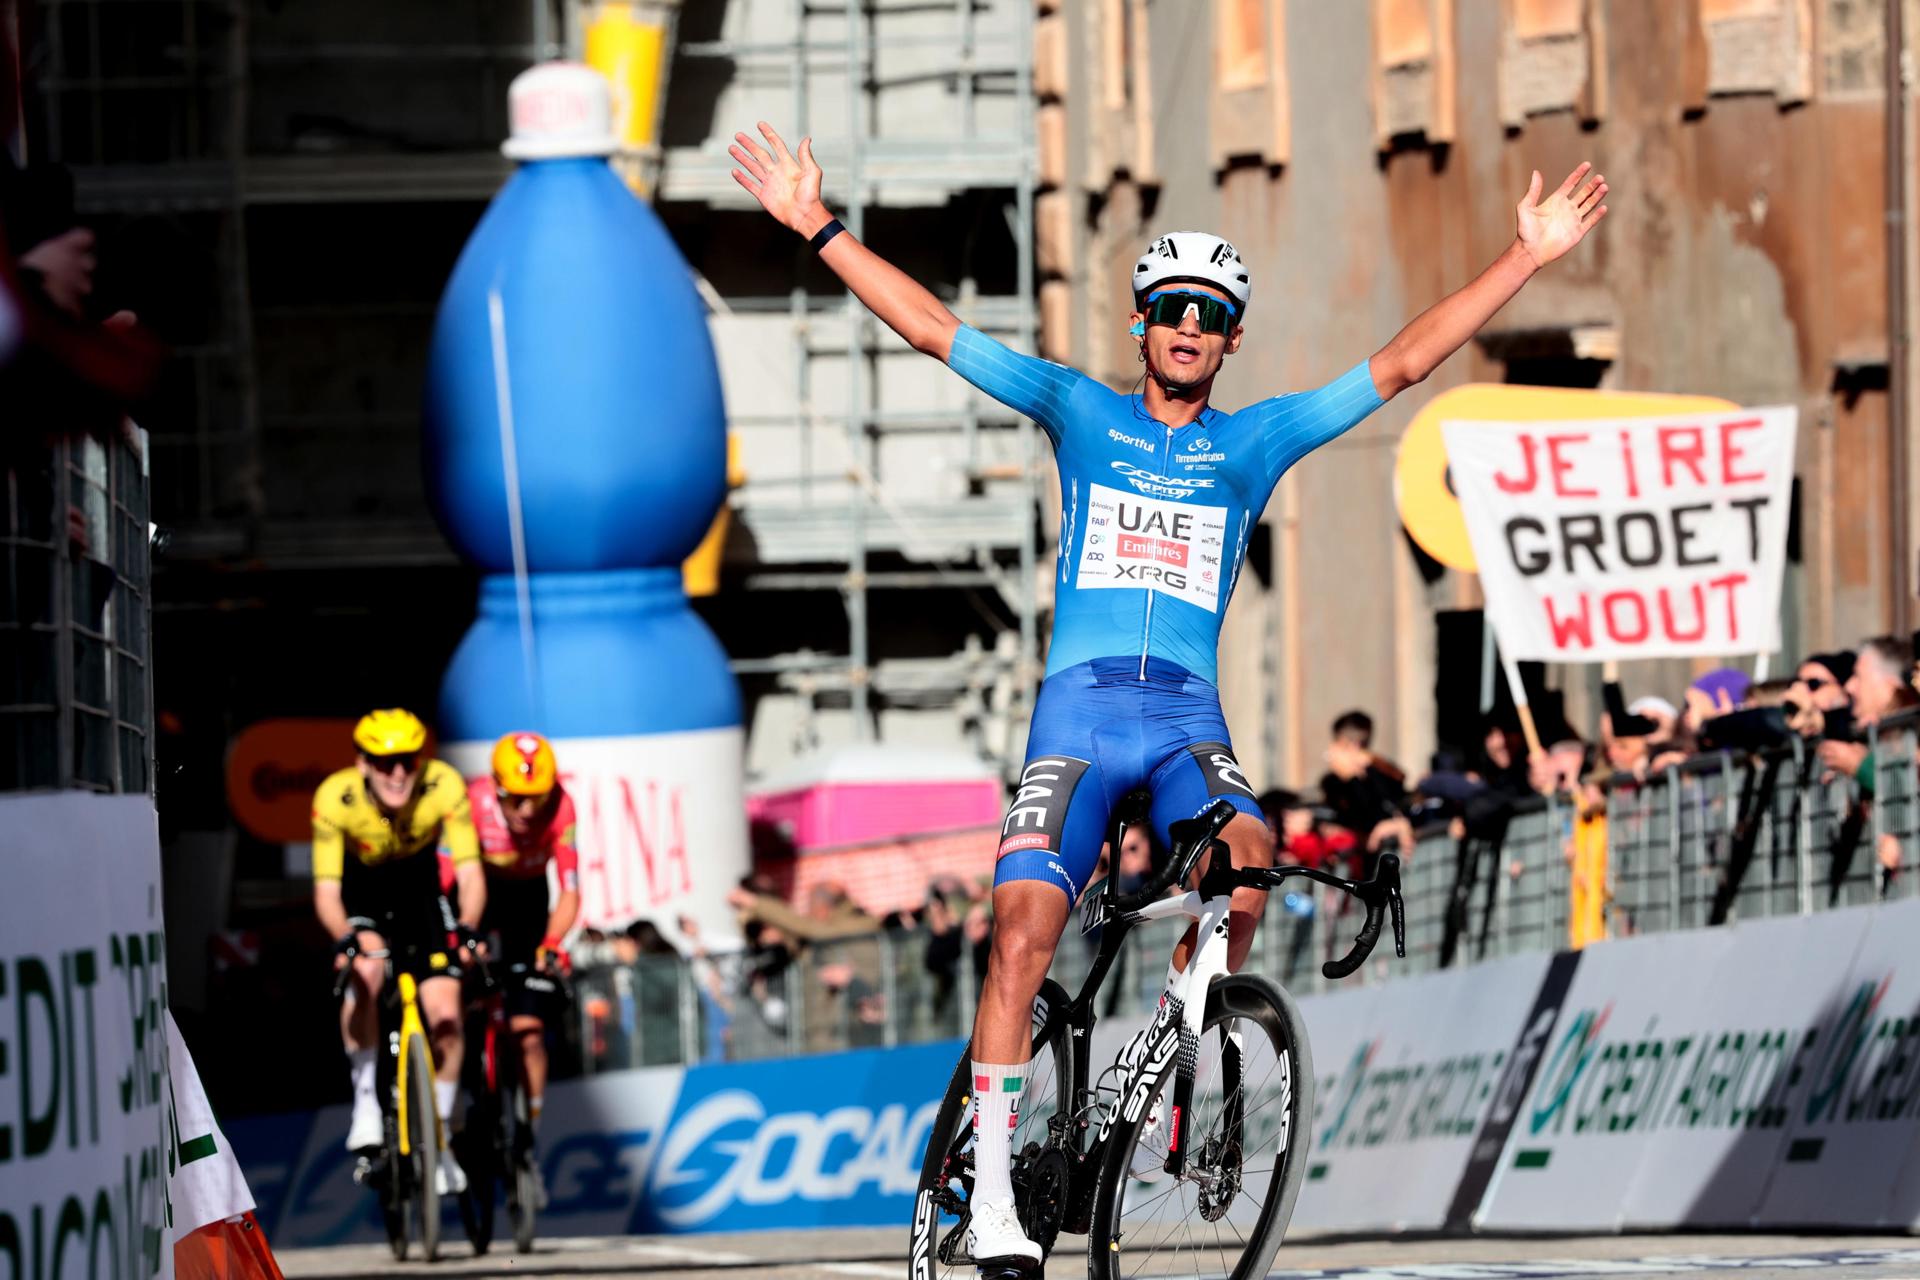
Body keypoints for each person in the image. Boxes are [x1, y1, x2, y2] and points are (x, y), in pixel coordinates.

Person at [727, 118, 1608, 1269]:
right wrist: (819, 229)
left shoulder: (1253, 443)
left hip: (1187, 716)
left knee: (1250, 853)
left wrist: (1524, 258)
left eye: (1212, 313)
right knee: (1021, 935)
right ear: (1141, 322)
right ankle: (989, 1196)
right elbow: (937, 329)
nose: (1190, 324)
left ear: (1233, 338)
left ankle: (1183, 1035)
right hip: (1079, 717)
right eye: (1171, 307)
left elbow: (1400, 365)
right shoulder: (1080, 410)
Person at [311, 709, 486, 1195]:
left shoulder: (444, 784)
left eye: (408, 760)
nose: (397, 773)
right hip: (363, 894)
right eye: (384, 762)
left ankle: (442, 1137)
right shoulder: (335, 797)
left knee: (447, 1014)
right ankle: (367, 1100)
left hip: (420, 894)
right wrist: (344, 937)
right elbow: (327, 891)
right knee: (366, 974)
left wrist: (468, 927)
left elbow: (470, 873)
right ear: (362, 763)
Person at [454, 732, 581, 1154]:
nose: (528, 811)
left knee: (529, 1033)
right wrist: (461, 933)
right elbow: (449, 876)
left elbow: (570, 888)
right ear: (495, 786)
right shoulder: (471, 803)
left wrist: (552, 942)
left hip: (528, 904)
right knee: (452, 1000)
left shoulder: (562, 807)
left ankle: (529, 1136)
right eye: (516, 799)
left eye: (537, 799)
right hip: (479, 898)